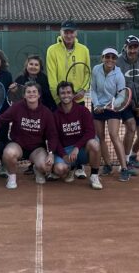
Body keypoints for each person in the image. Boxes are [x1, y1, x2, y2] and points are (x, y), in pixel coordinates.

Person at [0, 81, 61, 189]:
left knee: (46, 167)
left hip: (36, 148)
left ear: (39, 94)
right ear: (24, 95)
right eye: (28, 92)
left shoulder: (46, 112)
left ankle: (37, 169)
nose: (31, 94)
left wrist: (51, 153)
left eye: (34, 92)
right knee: (9, 153)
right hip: (18, 145)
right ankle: (12, 176)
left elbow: (52, 135)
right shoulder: (17, 107)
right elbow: (1, 120)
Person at [46, 20, 91, 180]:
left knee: (78, 131)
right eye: (66, 32)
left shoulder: (84, 50)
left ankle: (79, 166)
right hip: (59, 101)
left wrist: (83, 90)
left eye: (72, 32)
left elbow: (88, 73)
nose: (69, 35)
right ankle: (61, 161)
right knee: (58, 133)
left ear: (76, 33)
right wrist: (60, 99)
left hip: (78, 100)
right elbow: (51, 77)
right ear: (61, 33)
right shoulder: (52, 50)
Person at [52, 81, 103, 189]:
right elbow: (54, 138)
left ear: (73, 94)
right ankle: (71, 168)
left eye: (68, 92)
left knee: (94, 143)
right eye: (63, 93)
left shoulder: (83, 111)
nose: (66, 95)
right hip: (66, 150)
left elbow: (90, 132)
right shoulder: (55, 115)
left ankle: (94, 176)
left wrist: (77, 147)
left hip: (81, 149)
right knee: (59, 170)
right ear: (58, 95)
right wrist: (63, 155)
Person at [91, 48, 131, 182]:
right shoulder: (96, 70)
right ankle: (108, 165)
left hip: (113, 107)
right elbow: (93, 89)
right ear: (102, 58)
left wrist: (111, 106)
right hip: (98, 106)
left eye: (113, 57)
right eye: (107, 57)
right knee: (100, 136)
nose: (110, 60)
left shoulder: (119, 75)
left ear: (116, 60)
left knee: (114, 135)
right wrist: (97, 105)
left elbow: (121, 95)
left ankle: (124, 168)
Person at [117, 34, 139, 171]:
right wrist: (128, 103)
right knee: (131, 126)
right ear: (125, 48)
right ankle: (124, 161)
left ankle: (133, 155)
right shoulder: (118, 61)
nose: (132, 50)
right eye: (130, 47)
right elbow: (116, 85)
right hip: (125, 101)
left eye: (135, 47)